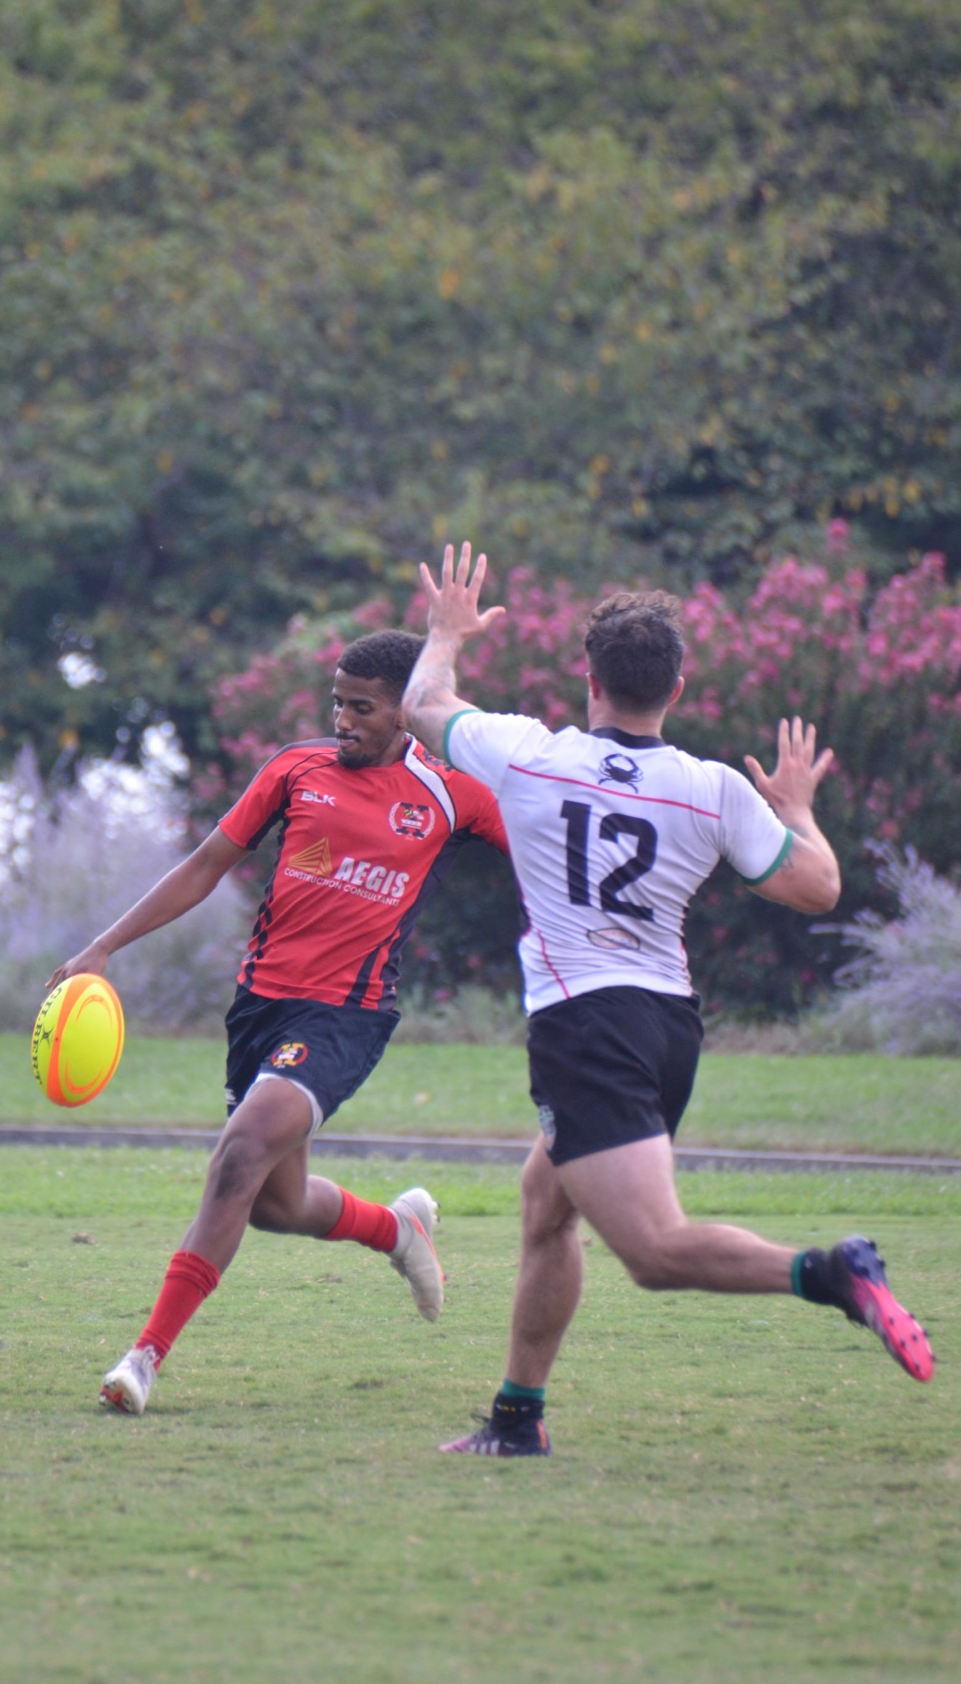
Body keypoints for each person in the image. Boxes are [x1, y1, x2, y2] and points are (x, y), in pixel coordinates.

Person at [400, 542, 934, 1458]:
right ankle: (516, 1420)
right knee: (546, 1201)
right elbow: (817, 887)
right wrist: (799, 807)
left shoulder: (530, 755)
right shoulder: (711, 787)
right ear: (677, 689)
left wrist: (447, 632)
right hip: (667, 1028)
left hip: (587, 1027)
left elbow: (420, 707)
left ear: (589, 678)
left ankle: (830, 1273)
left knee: (652, 1252)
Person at [49, 628, 509, 1415]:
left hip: (346, 1015)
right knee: (272, 1202)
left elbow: (549, 844)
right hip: (259, 1007)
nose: (343, 720)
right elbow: (203, 865)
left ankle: (145, 1358)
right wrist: (102, 948)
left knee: (239, 1152)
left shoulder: (451, 793)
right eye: (336, 703)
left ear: (406, 712)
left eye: (361, 708)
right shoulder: (296, 771)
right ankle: (395, 1230)